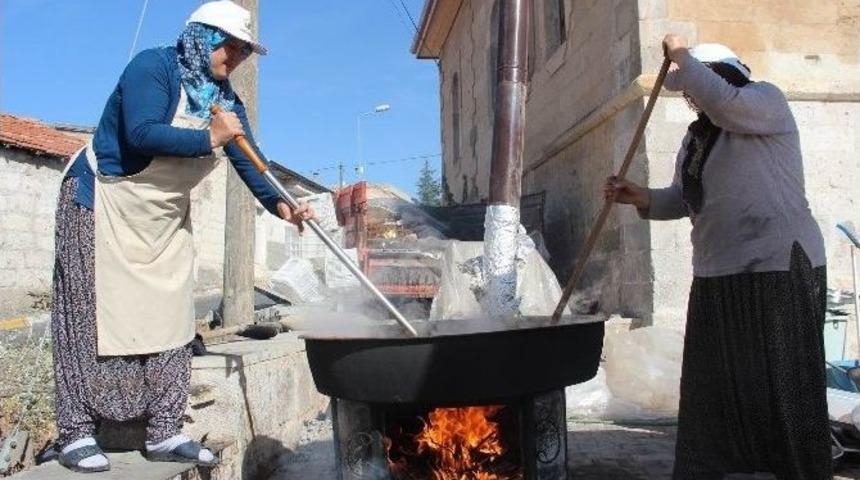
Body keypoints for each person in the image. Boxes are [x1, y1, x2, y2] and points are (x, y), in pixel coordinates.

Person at [52, 1, 313, 473]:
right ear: (203, 38)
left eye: (243, 51)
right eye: (229, 46)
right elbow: (142, 132)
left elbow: (253, 163)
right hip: (100, 200)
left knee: (173, 317)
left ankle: (165, 430)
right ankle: (75, 433)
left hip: (161, 217)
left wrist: (283, 205)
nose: (235, 58)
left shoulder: (227, 102)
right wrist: (209, 138)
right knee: (87, 317)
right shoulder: (153, 67)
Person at [605, 34, 831, 479]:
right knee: (715, 389)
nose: (690, 98)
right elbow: (688, 201)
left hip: (778, 266)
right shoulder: (696, 139)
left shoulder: (763, 102)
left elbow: (722, 101)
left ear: (723, 75)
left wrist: (682, 56)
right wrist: (640, 196)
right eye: (687, 91)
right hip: (717, 272)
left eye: (694, 86)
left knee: (784, 385)